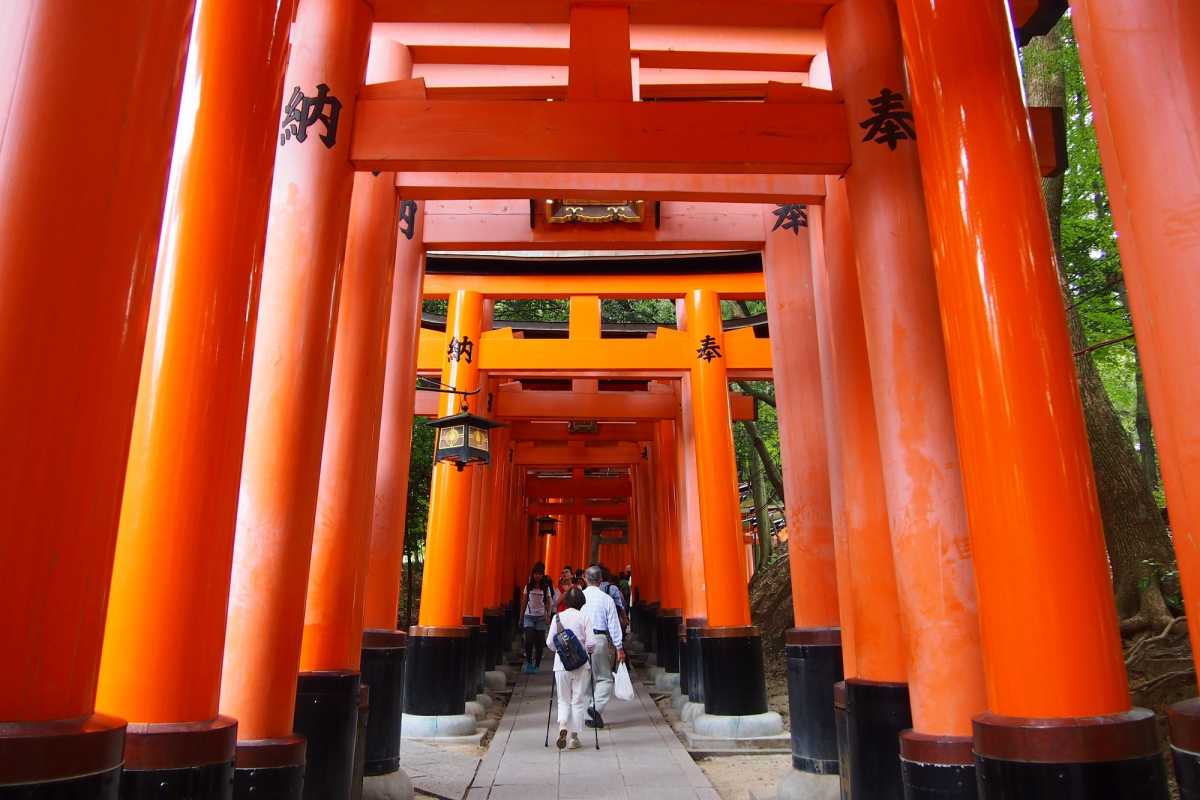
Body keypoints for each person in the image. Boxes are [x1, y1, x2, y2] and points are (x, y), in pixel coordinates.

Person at [546, 587, 595, 750]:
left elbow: (550, 643)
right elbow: (591, 643)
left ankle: (562, 727)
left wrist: (560, 651)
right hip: (581, 665)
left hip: (561, 665)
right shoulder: (584, 617)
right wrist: (587, 650)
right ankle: (574, 738)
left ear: (566, 601)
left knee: (563, 699)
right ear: (581, 602)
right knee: (578, 700)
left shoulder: (557, 617)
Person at [582, 565, 624, 728]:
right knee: (605, 678)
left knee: (586, 678)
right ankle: (596, 708)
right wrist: (619, 648)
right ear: (600, 580)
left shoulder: (580, 597)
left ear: (585, 579)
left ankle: (589, 712)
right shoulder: (606, 599)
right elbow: (613, 625)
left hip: (583, 640)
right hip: (599, 639)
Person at [521, 562, 553, 673]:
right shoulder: (528, 587)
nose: (537, 576)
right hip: (529, 616)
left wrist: (548, 615)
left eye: (539, 574)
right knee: (529, 639)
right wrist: (521, 617)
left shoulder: (545, 588)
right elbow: (524, 602)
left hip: (541, 617)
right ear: (533, 574)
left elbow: (549, 602)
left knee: (539, 643)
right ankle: (529, 662)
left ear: (542, 575)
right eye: (535, 574)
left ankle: (537, 665)